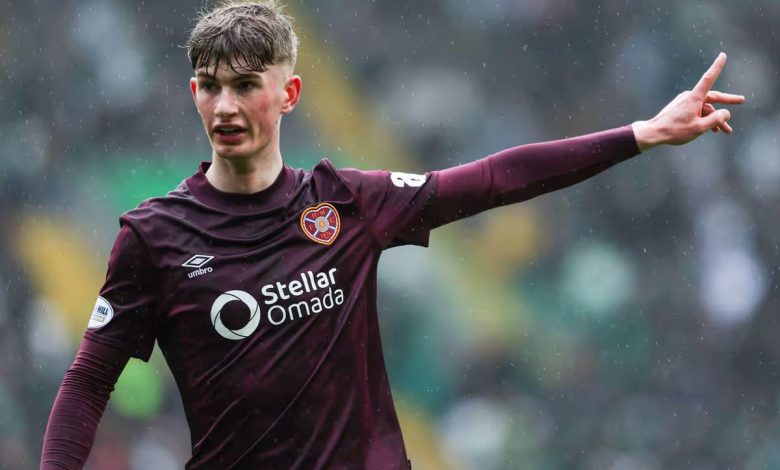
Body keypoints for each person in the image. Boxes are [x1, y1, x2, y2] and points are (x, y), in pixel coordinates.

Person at [40, 1, 745, 468]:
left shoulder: (347, 202)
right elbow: (88, 382)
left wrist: (641, 134)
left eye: (246, 84)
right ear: (194, 92)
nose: (225, 105)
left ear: (288, 94)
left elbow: (495, 179)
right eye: (210, 85)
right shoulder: (155, 237)